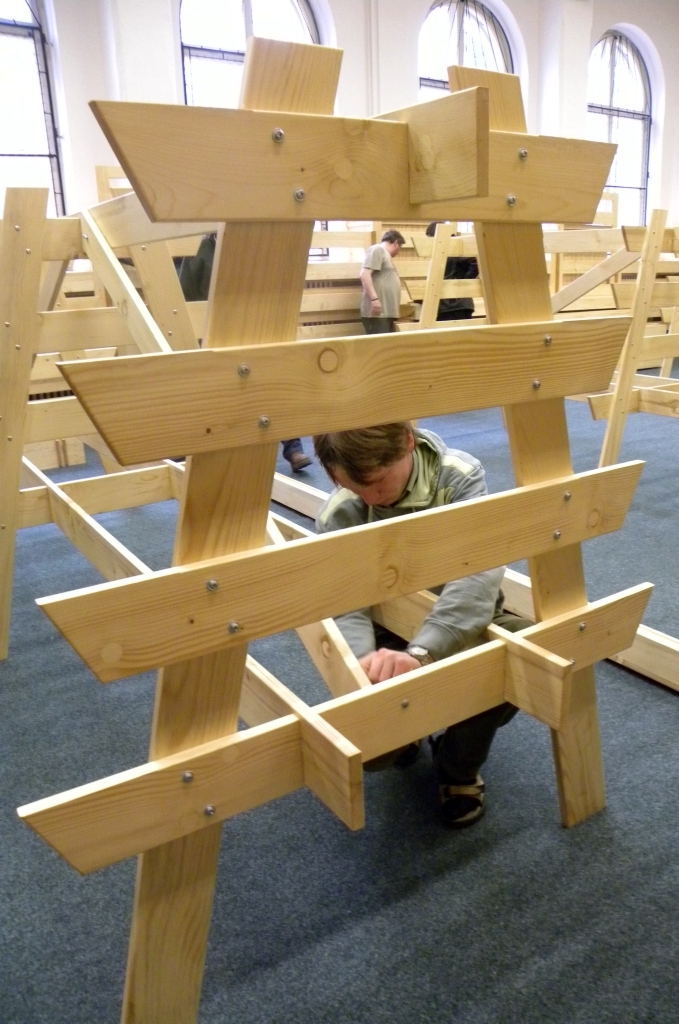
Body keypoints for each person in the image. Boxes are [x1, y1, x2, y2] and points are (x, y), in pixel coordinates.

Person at [313, 421, 531, 828]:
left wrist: (423, 653)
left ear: (407, 442)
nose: (369, 498)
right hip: (386, 635)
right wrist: (363, 666)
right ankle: (408, 734)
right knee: (374, 749)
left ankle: (456, 766)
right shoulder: (340, 510)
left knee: (525, 651)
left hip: (459, 625)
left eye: (377, 482)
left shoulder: (458, 477)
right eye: (354, 488)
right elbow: (347, 605)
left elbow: (476, 578)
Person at [177, 233, 313, 472]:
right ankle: (192, 448)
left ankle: (293, 448)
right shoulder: (201, 249)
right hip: (213, 331)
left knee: (270, 384)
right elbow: (185, 294)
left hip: (252, 325)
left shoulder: (251, 244)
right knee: (210, 392)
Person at [425, 221, 479, 321]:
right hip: (450, 305)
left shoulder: (454, 247)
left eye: (430, 238)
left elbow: (475, 261)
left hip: (455, 305)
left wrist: (463, 281)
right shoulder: (447, 248)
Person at [359, 230, 406, 334]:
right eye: (400, 247)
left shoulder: (385, 254)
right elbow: (364, 274)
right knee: (378, 343)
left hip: (386, 313)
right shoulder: (378, 250)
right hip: (378, 314)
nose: (398, 252)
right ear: (396, 243)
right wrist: (374, 299)